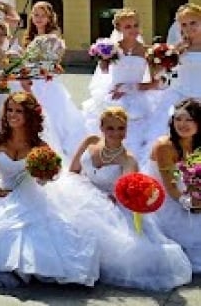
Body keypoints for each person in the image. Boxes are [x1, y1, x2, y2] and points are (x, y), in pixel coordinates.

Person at [0, 91, 100, 285]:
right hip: (3, 192)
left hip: (30, 193)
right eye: (9, 110)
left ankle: (34, 266)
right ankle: (12, 265)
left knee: (39, 230)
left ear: (29, 116)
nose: (12, 115)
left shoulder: (40, 145)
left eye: (19, 111)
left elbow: (51, 175)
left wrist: (43, 176)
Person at [60, 106, 191, 290]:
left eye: (121, 128)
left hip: (110, 205)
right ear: (102, 127)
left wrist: (98, 199)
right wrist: (80, 193)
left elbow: (121, 196)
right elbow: (73, 171)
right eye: (110, 128)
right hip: (81, 191)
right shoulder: (90, 141)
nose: (116, 133)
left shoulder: (128, 160)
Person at [82, 8, 161, 156]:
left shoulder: (148, 51)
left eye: (136, 25)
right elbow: (104, 72)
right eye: (128, 26)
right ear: (119, 28)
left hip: (138, 97)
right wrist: (102, 60)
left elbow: (155, 83)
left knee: (135, 133)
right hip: (113, 95)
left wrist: (131, 87)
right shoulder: (111, 49)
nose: (133, 29)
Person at [15, 1, 85, 158]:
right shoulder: (30, 36)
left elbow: (49, 60)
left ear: (49, 18)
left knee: (51, 117)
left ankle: (54, 150)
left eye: (42, 15)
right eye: (35, 15)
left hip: (45, 83)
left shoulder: (53, 37)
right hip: (31, 81)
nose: (38, 18)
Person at [147, 98, 201, 270]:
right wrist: (191, 203)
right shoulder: (164, 146)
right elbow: (171, 188)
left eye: (188, 120)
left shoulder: (197, 144)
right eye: (178, 119)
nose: (182, 124)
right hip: (166, 198)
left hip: (191, 192)